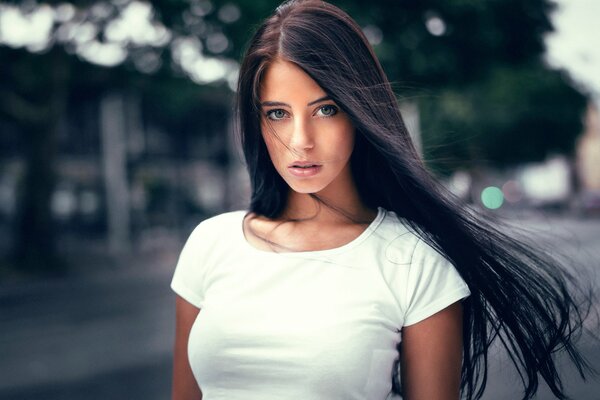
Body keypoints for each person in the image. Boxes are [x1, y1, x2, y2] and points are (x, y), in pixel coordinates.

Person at [171, 1, 593, 399]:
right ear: (257, 121)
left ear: (359, 111)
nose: (300, 141)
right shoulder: (212, 243)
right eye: (277, 113)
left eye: (326, 109)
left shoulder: (417, 261)